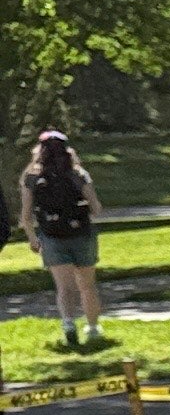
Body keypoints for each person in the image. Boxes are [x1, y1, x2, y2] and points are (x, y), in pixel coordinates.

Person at [21, 127, 105, 354]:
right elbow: (96, 208)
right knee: (87, 286)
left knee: (64, 288)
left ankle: (68, 324)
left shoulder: (32, 177)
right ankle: (93, 328)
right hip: (82, 234)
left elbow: (26, 216)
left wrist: (32, 238)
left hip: (51, 236)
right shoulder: (79, 174)